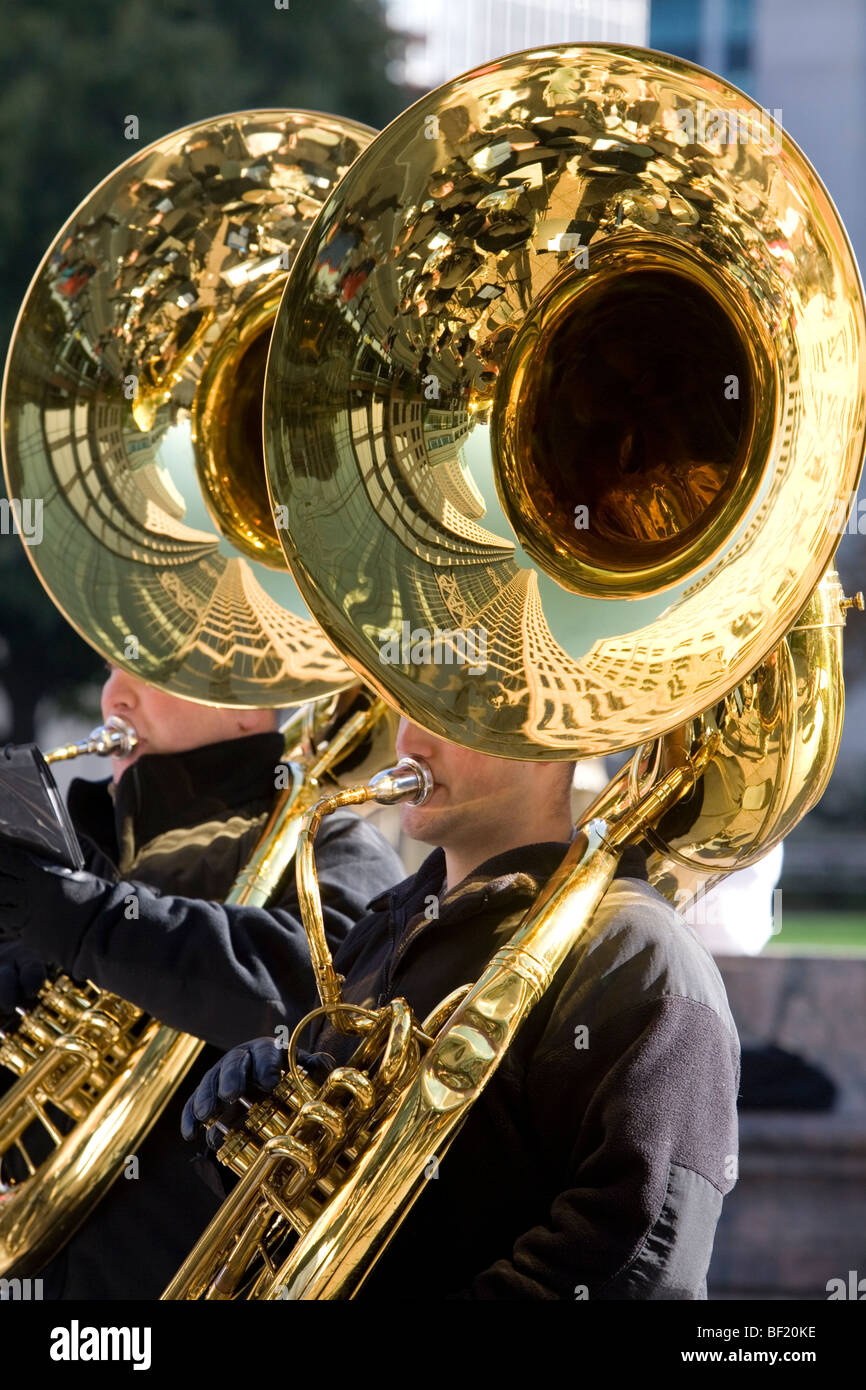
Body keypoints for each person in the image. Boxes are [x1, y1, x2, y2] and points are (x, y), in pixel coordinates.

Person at [183, 717, 741, 1301]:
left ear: (547, 740)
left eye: (448, 716)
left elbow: (638, 1256)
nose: (408, 743)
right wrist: (261, 1137)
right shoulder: (383, 929)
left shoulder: (638, 952)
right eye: (407, 712)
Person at [0, 666, 405, 1299]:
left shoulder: (329, 841)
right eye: (107, 668)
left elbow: (323, 997)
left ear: (251, 697)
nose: (115, 694)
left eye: (150, 670)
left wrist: (89, 926)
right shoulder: (79, 844)